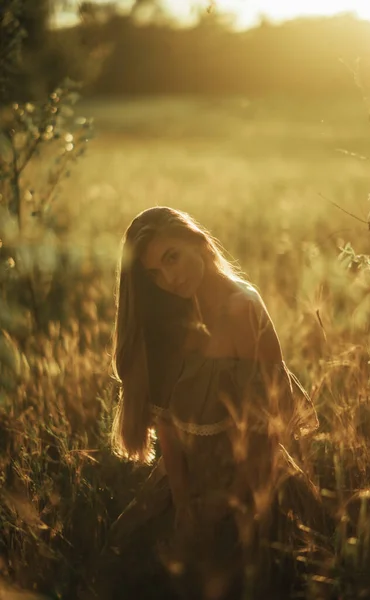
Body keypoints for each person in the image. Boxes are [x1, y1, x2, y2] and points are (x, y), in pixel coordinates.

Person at [101, 206, 319, 599]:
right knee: (131, 566)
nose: (170, 279)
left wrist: (223, 505)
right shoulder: (170, 315)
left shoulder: (242, 307)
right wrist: (184, 504)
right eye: (155, 274)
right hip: (183, 474)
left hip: (252, 477)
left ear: (195, 240)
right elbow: (167, 423)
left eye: (172, 257)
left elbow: (268, 429)